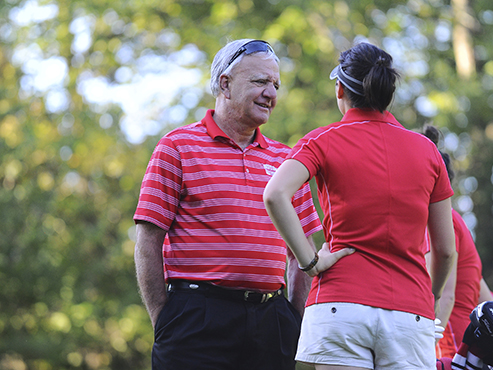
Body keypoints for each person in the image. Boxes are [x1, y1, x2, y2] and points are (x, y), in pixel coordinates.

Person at [264, 41, 457, 370]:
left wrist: (310, 262)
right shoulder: (428, 152)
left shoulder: (322, 140)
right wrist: (433, 294)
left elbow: (275, 194)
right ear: (388, 95)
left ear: (340, 89)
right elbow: (446, 250)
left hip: (341, 305)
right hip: (410, 313)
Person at [133, 39, 323, 370]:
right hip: (196, 318)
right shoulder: (177, 147)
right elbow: (148, 242)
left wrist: (293, 318)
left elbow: (303, 250)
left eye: (276, 85)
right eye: (260, 81)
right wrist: (164, 319)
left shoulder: (288, 160)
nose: (271, 93)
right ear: (225, 84)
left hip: (271, 321)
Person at [422, 125, 493, 359]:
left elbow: (447, 294)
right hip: (467, 344)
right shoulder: (456, 222)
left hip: (450, 344)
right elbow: (488, 299)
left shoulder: (442, 223)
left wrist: (425, 345)